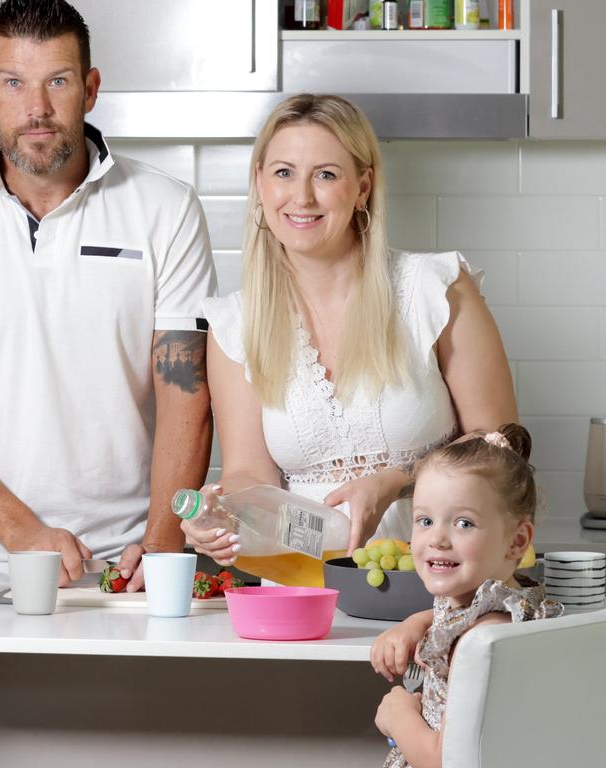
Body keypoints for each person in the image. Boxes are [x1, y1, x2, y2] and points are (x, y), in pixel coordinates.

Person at [0, 0, 216, 588]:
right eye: (14, 83)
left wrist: (163, 545)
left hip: (129, 562)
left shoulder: (166, 209)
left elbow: (185, 395)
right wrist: (21, 533)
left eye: (57, 81)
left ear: (90, 88)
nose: (36, 109)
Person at [181, 93, 516, 569]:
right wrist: (220, 515)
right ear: (259, 184)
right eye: (283, 173)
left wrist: (401, 480)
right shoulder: (236, 325)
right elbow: (249, 474)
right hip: (303, 582)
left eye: (326, 174)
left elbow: (502, 445)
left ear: (362, 187)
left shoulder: (436, 290)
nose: (302, 197)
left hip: (440, 577)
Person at [372, 424, 562, 768]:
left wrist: (397, 715)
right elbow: (469, 614)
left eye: (464, 524)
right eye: (425, 520)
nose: (437, 539)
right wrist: (417, 623)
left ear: (517, 541)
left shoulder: (477, 644)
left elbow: (444, 760)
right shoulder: (511, 602)